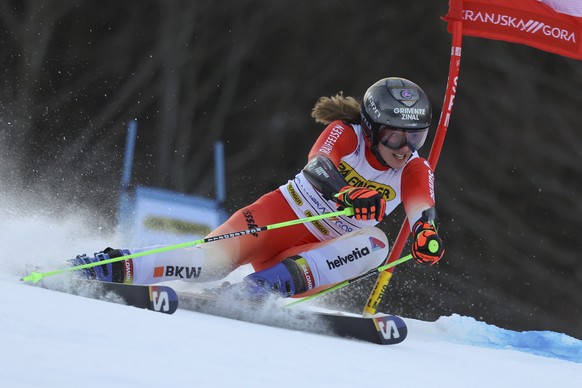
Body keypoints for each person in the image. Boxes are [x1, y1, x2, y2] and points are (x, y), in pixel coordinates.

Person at [72, 77, 444, 298]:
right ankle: (107, 266)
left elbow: (421, 209)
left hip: (314, 256)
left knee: (376, 243)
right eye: (396, 137)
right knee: (205, 264)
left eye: (416, 137)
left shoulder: (414, 167)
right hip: (276, 219)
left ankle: (256, 291)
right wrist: (346, 193)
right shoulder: (347, 134)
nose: (405, 149)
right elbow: (318, 165)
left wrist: (426, 233)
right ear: (373, 128)